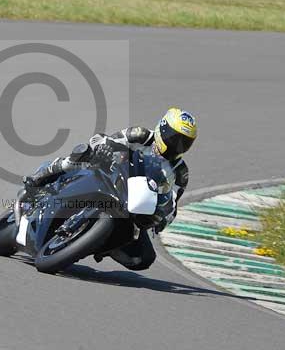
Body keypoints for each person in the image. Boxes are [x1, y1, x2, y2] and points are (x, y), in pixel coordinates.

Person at [21, 107, 197, 271]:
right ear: (163, 129)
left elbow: (172, 206)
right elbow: (101, 139)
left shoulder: (180, 172)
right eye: (175, 139)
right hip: (111, 176)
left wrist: (161, 218)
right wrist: (104, 147)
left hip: (135, 204)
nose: (178, 146)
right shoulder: (140, 135)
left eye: (185, 143)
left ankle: (101, 244)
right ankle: (42, 176)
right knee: (84, 152)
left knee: (144, 258)